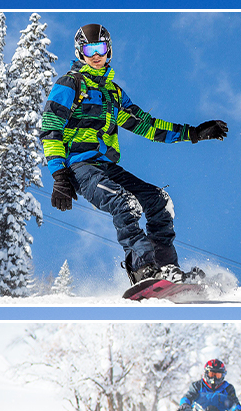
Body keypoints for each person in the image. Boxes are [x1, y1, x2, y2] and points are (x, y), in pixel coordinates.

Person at [40, 24, 229, 286]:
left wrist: (194, 133)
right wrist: (59, 175)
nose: (96, 55)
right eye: (89, 49)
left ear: (109, 51)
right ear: (80, 52)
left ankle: (167, 270)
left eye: (101, 48)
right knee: (124, 202)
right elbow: (51, 127)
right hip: (78, 167)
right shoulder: (70, 84)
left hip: (104, 165)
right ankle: (143, 269)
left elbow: (147, 125)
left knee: (158, 200)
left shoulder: (114, 95)